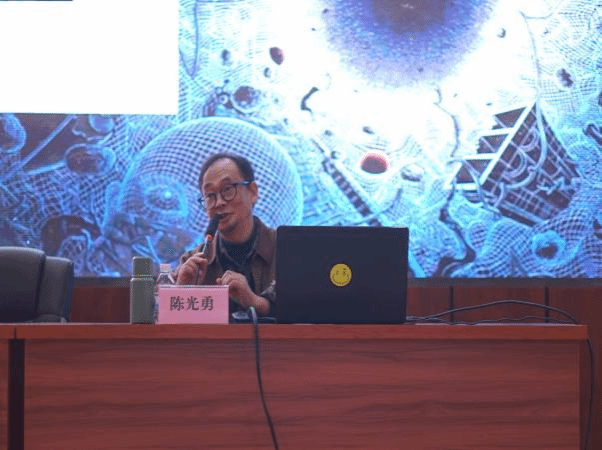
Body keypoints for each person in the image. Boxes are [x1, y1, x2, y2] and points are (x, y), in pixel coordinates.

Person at [174, 153, 276, 318]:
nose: (219, 202)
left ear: (253, 192)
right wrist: (180, 292)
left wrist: (256, 303)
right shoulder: (192, 262)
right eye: (210, 195)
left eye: (227, 189)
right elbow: (158, 322)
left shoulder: (286, 249)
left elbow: (305, 308)